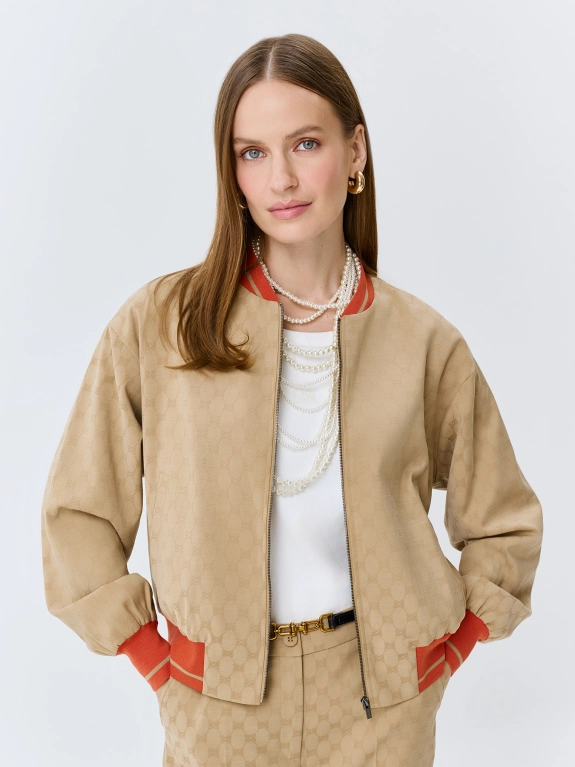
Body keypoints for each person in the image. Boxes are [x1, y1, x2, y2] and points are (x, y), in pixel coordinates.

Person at [41, 33, 543, 767]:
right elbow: (77, 513)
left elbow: (504, 524)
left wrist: (448, 653)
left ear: (355, 151)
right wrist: (154, 659)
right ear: (232, 172)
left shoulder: (422, 342)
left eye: (305, 144)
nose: (281, 177)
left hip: (384, 707)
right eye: (252, 152)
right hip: (218, 702)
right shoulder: (162, 325)